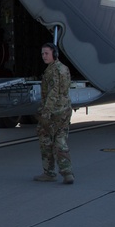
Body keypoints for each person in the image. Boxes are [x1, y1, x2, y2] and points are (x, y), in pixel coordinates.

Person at [34, 42, 74, 184]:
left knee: (45, 140)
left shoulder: (52, 71)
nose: (44, 56)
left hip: (53, 112)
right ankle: (67, 172)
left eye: (46, 53)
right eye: (42, 53)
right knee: (60, 140)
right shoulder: (64, 68)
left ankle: (49, 172)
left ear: (54, 54)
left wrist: (46, 112)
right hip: (65, 110)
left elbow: (53, 93)